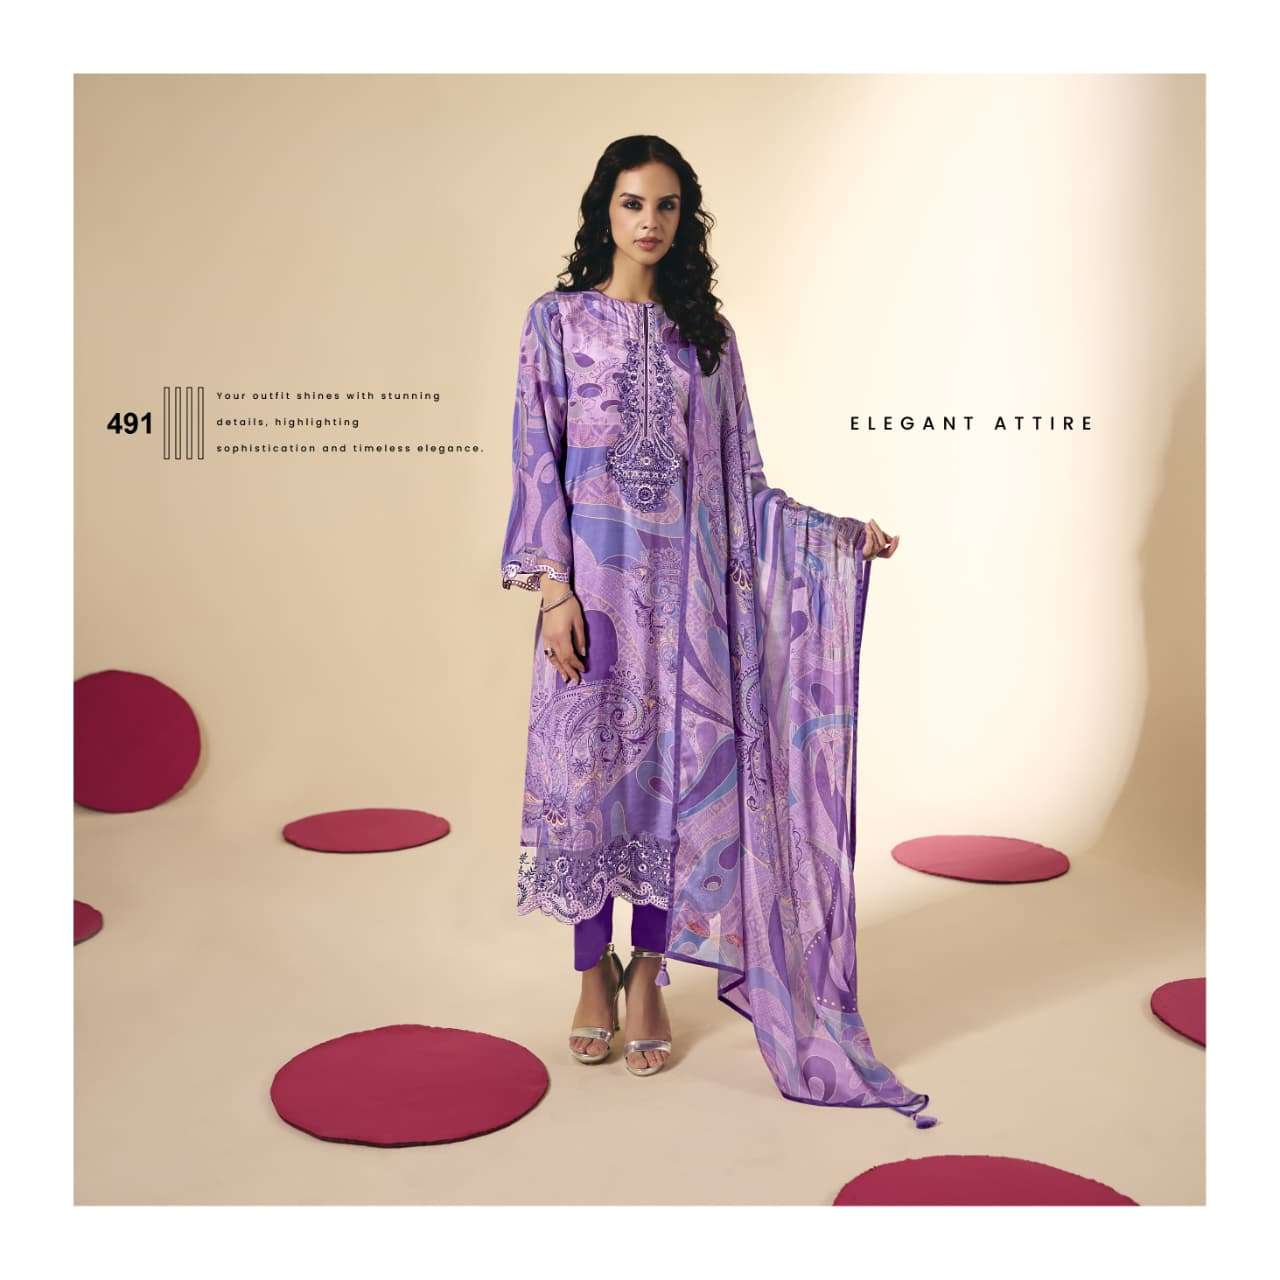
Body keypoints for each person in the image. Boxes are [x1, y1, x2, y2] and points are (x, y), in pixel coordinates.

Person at [501, 136, 934, 1126]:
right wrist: (553, 592)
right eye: (631, 203)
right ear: (603, 213)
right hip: (591, 603)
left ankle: (648, 972)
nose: (648, 221)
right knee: (585, 787)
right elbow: (535, 458)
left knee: (670, 792)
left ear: (683, 219)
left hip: (689, 612)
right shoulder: (555, 323)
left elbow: (744, 484)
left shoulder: (707, 340)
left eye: (665, 205)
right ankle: (590, 971)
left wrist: (837, 537)